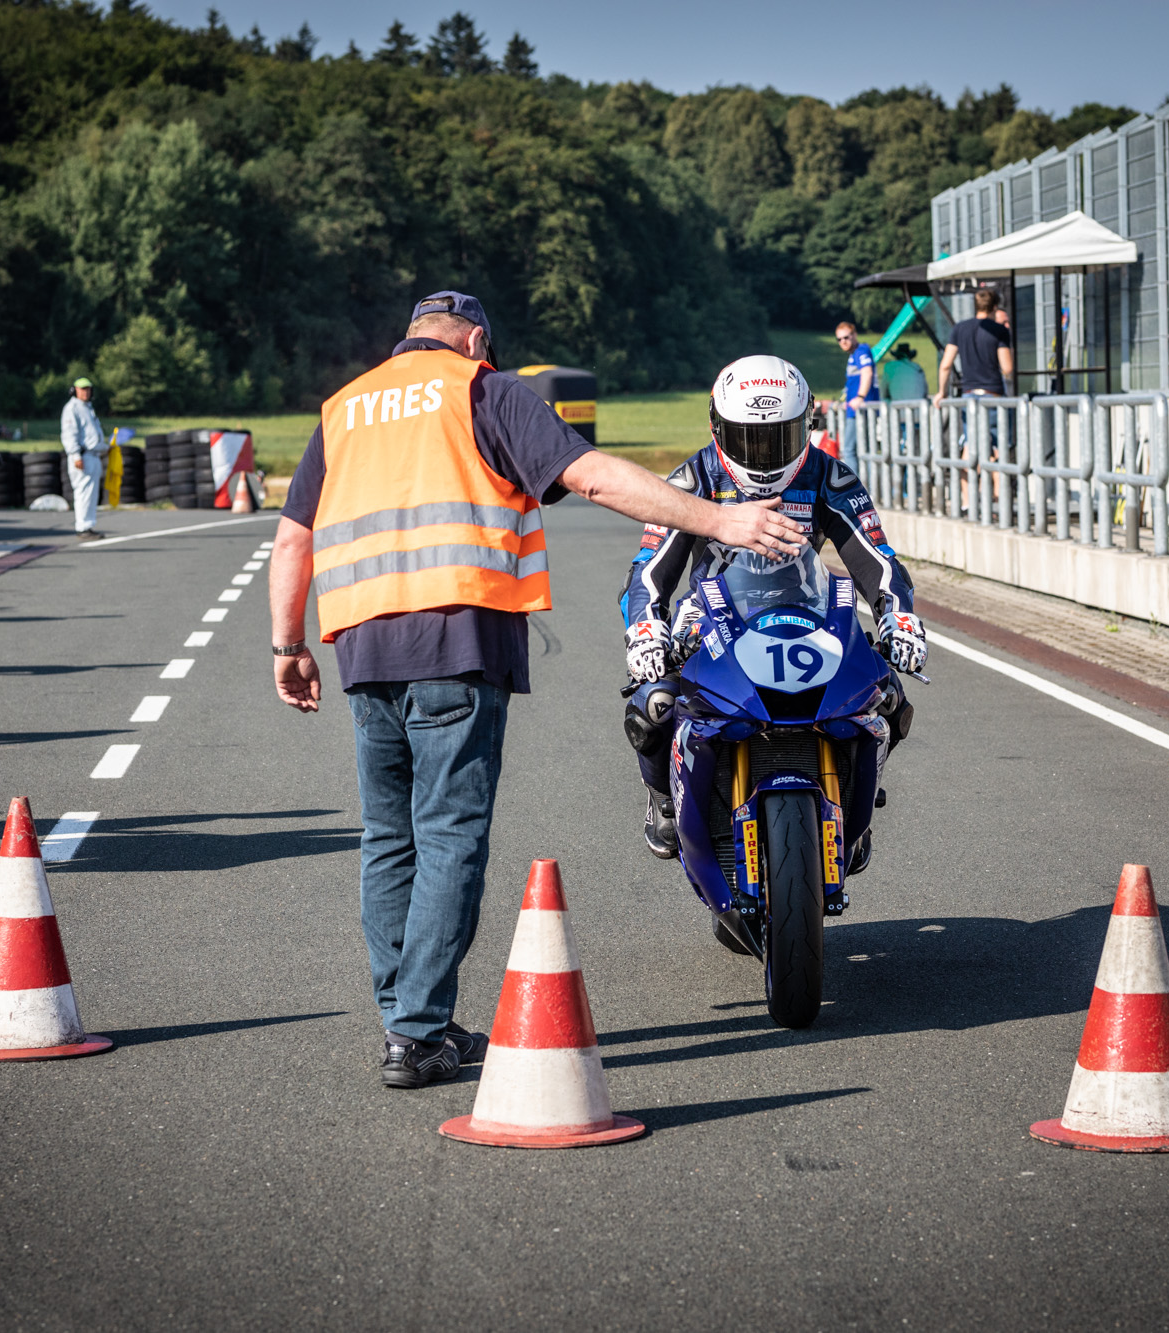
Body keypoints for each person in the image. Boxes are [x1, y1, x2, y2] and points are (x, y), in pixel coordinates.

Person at [266, 290, 805, 1090]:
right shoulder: (482, 389)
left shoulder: (344, 408)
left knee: (389, 838)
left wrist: (288, 646)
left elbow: (292, 539)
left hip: (364, 649)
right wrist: (721, 521)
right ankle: (416, 1031)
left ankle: (406, 1019)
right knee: (448, 835)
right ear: (475, 340)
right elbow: (592, 477)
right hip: (457, 639)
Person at [620, 354, 926, 860]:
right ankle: (663, 799)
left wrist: (900, 616)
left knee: (886, 694)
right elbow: (649, 568)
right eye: (748, 439)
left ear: (807, 424)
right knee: (654, 702)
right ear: (717, 427)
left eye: (779, 437)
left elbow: (876, 557)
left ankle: (857, 796)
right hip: (710, 618)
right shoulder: (693, 478)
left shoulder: (829, 475)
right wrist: (647, 628)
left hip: (808, 610)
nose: (763, 454)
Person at [935, 288, 1015, 400]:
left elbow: (945, 366)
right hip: (993, 393)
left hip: (968, 394)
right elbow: (1007, 368)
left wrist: (942, 392)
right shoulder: (1000, 330)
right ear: (995, 307)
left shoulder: (959, 328)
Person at [60, 376, 108, 542]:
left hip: (93, 455)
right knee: (83, 493)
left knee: (91, 493)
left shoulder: (88, 408)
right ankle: (82, 527)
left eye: (88, 389)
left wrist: (104, 447)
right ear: (74, 391)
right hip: (82, 456)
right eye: (82, 389)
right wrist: (75, 455)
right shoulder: (72, 408)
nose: (86, 392)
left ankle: (88, 525)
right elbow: (69, 434)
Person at [835, 321, 879, 419]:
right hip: (854, 410)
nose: (843, 341)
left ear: (854, 335)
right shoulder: (854, 354)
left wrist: (860, 397)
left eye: (846, 337)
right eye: (839, 339)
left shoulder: (861, 351)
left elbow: (867, 372)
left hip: (862, 411)